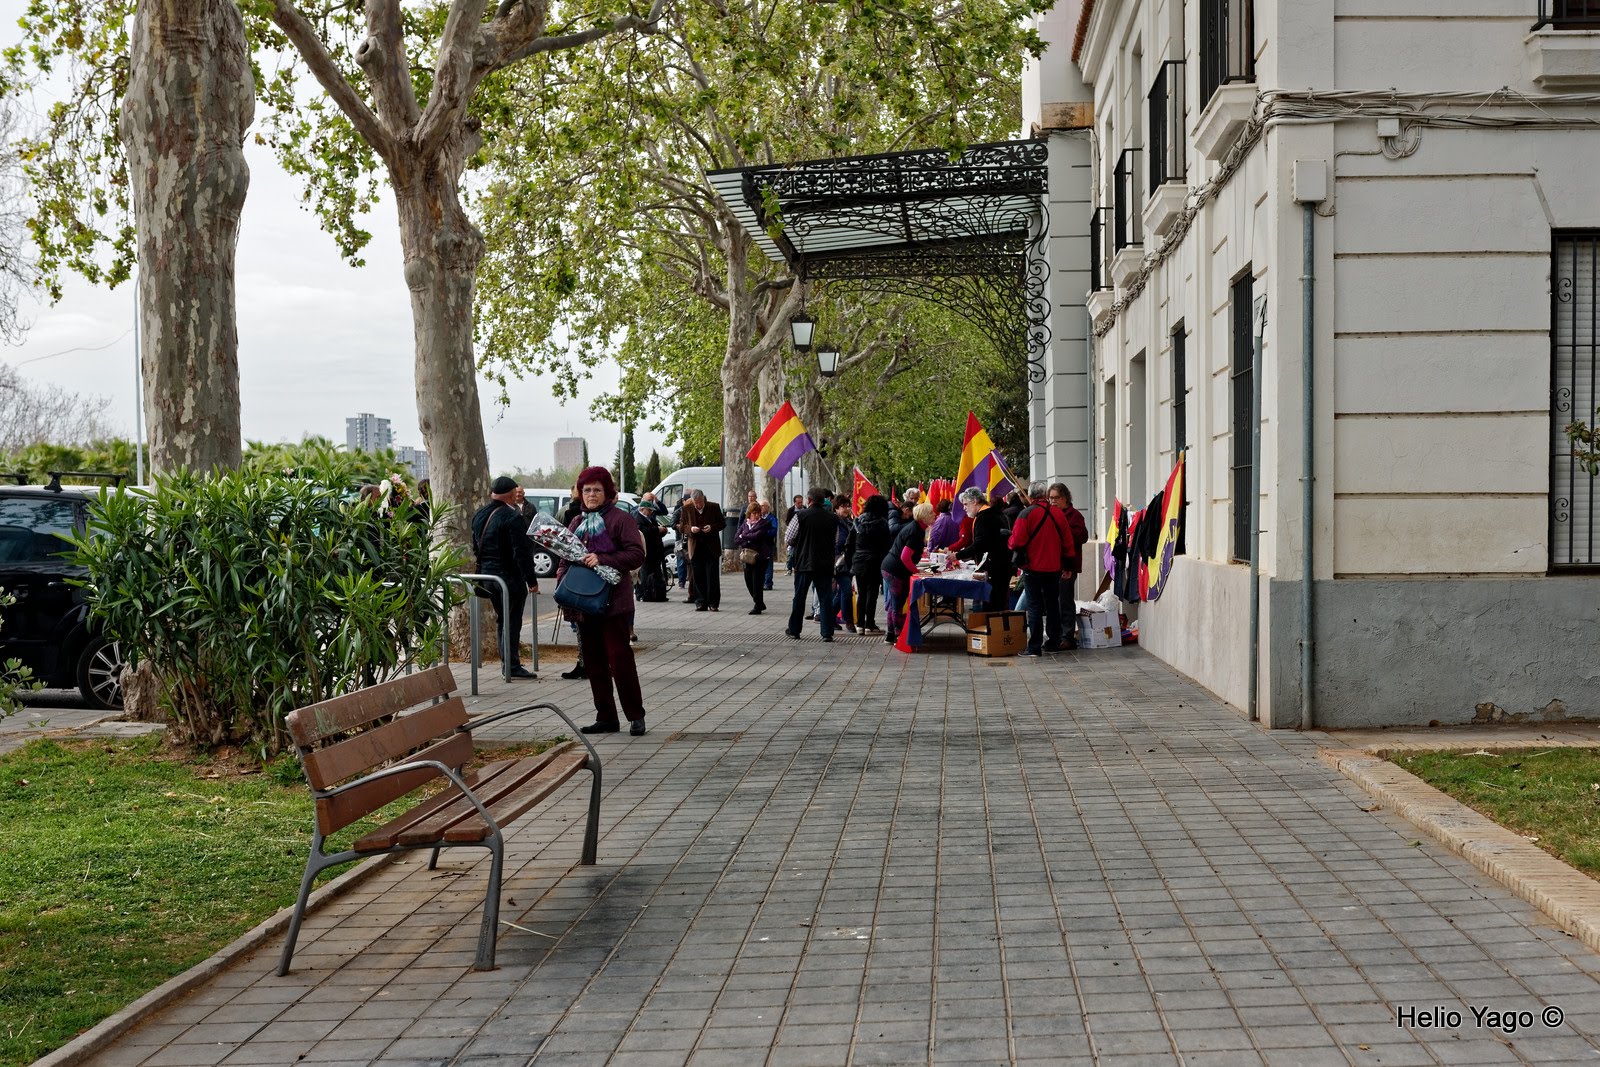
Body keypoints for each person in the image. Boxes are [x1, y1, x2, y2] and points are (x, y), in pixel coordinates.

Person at [560, 466, 649, 735]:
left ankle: (635, 716)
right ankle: (606, 717)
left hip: (614, 603)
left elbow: (636, 554)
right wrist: (562, 580)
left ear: (607, 492)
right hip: (583, 604)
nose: (591, 494)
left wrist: (603, 558)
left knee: (620, 661)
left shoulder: (621, 519)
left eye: (597, 490)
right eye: (586, 490)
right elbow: (565, 556)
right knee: (594, 663)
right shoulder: (577, 522)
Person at [470, 475, 540, 679]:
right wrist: (531, 580)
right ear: (511, 495)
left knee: (503, 619)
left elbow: (476, 547)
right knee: (511, 621)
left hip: (487, 577)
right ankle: (511, 666)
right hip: (508, 578)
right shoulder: (512, 517)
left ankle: (507, 664)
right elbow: (521, 553)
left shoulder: (479, 514)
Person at [1008, 482, 1072, 658]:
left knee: (1034, 605)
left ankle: (1034, 647)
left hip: (1033, 567)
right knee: (1052, 605)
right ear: (1045, 495)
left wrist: (1009, 542)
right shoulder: (1058, 514)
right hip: (1054, 567)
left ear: (1030, 496)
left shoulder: (1026, 514)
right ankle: (1053, 643)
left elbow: (1017, 541)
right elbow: (1068, 542)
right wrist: (1068, 565)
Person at [786, 487, 838, 641]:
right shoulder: (833, 518)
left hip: (804, 562)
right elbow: (835, 540)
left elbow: (789, 538)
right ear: (823, 501)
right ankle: (827, 632)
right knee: (825, 598)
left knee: (799, 597)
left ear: (809, 500)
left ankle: (794, 629)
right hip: (825, 563)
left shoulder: (800, 516)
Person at [880, 501, 934, 645]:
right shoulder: (915, 531)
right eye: (931, 513)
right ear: (924, 516)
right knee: (897, 604)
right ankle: (898, 636)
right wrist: (917, 571)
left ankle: (891, 635)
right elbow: (905, 557)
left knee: (894, 603)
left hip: (892, 567)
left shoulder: (917, 528)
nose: (934, 515)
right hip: (895, 569)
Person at [956, 487, 1013, 614]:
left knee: (992, 605)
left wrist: (958, 555)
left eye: (966, 504)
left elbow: (981, 544)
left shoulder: (984, 517)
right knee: (999, 603)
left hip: (994, 567)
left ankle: (992, 626)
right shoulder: (996, 513)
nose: (964, 508)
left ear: (974, 501)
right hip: (1003, 564)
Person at [1048, 483, 1091, 647]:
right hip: (1051, 565)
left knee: (1065, 600)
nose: (1053, 501)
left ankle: (1067, 636)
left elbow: (1082, 536)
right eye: (1050, 498)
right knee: (1054, 601)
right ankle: (1056, 635)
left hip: (1067, 565)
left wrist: (1063, 528)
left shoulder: (1074, 515)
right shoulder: (1050, 514)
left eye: (1056, 498)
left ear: (1065, 498)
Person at [850, 495, 893, 633]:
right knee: (872, 593)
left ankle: (859, 625)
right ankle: (870, 624)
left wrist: (851, 561)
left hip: (859, 561)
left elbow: (849, 544)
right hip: (876, 560)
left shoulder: (857, 521)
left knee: (861, 593)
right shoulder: (882, 523)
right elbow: (887, 545)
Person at [680, 490, 725, 611]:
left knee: (712, 577)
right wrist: (690, 529)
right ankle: (700, 602)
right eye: (696, 503)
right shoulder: (686, 509)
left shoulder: (714, 507)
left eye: (700, 502)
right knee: (698, 576)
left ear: (703, 499)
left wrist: (712, 527)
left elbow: (722, 523)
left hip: (711, 548)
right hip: (696, 547)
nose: (698, 505)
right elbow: (682, 526)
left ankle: (713, 603)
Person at [735, 501, 775, 614]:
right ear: (749, 513)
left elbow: (757, 536)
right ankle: (759, 602)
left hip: (760, 557)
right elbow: (737, 538)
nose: (756, 515)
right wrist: (746, 541)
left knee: (757, 582)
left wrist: (744, 536)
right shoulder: (745, 523)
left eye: (758, 513)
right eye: (754, 513)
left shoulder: (764, 523)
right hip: (747, 557)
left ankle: (757, 606)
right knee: (748, 581)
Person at [634, 502, 669, 603]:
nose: (650, 512)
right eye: (649, 510)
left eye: (651, 510)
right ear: (642, 509)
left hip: (655, 551)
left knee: (657, 573)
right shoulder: (637, 518)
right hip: (646, 551)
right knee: (644, 574)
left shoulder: (651, 519)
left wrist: (662, 531)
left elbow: (655, 531)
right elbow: (642, 532)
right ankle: (643, 594)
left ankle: (657, 594)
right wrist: (657, 529)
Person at [832, 496, 857, 633]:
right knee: (846, 589)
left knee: (841, 591)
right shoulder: (834, 522)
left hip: (847, 561)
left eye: (848, 506)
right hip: (838, 561)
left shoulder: (849, 522)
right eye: (843, 506)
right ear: (836, 508)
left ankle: (828, 617)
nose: (846, 509)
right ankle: (849, 621)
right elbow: (837, 543)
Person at [784, 494, 803, 573]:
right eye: (798, 503)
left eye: (801, 502)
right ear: (795, 503)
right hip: (793, 534)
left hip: (802, 534)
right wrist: (792, 525)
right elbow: (787, 521)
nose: (800, 504)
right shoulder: (791, 510)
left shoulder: (805, 509)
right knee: (791, 552)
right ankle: (789, 567)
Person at [762, 501, 779, 589]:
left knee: (768, 564)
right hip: (760, 544)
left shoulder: (772, 518)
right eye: (760, 506)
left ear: (767, 507)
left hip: (768, 544)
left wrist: (764, 533)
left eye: (763, 506)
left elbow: (774, 531)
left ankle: (768, 583)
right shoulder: (759, 517)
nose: (761, 508)